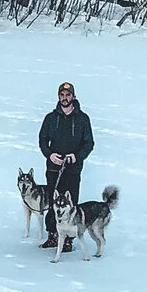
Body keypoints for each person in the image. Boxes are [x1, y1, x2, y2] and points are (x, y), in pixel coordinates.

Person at [37, 80, 95, 248]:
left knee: (71, 204)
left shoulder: (83, 119)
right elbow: (42, 140)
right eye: (62, 95)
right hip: (54, 168)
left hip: (73, 169)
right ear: (58, 97)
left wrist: (76, 156)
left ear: (73, 97)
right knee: (53, 202)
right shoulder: (50, 118)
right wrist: (50, 155)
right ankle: (53, 235)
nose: (65, 98)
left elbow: (89, 143)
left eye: (68, 95)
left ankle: (69, 239)